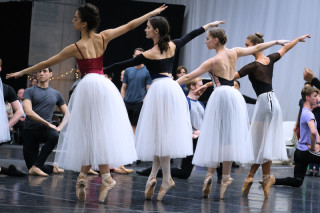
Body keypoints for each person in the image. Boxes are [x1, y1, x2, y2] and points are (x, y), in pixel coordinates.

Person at [7, 3, 167, 202]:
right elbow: (129, 25)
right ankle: (90, 176)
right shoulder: (103, 37)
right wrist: (152, 13)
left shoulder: (76, 47)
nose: (72, 20)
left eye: (75, 18)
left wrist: (21, 72)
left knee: (89, 132)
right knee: (94, 132)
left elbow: (48, 63)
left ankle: (102, 176)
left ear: (83, 23)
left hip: (89, 87)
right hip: (103, 86)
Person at [104, 17, 225, 201]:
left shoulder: (149, 53)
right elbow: (191, 35)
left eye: (148, 27)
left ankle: (164, 177)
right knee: (161, 136)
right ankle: (157, 175)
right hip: (172, 88)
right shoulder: (173, 45)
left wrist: (100, 69)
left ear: (157, 31)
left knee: (159, 135)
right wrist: (209, 25)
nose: (145, 30)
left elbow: (121, 65)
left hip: (160, 90)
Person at [177, 27, 290, 199]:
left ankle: (209, 174)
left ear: (216, 40)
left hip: (220, 95)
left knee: (216, 136)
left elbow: (188, 77)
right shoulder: (235, 52)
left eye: (207, 38)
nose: (205, 41)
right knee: (229, 138)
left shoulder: (212, 61)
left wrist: (171, 84)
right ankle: (225, 178)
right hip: (234, 96)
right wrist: (276, 42)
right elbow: (255, 48)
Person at [233, 33, 310, 198]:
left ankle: (250, 176)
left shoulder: (252, 66)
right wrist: (297, 39)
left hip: (265, 103)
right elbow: (285, 48)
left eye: (247, 45)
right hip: (272, 101)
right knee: (264, 143)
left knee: (261, 143)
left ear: (256, 45)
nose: (246, 48)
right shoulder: (270, 59)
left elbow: (231, 78)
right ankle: (265, 178)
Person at [136, 77, 205, 179]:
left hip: (200, 138)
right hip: (190, 138)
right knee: (184, 172)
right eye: (200, 86)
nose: (203, 88)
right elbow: (180, 121)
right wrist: (190, 133)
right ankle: (151, 172)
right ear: (192, 86)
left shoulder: (201, 103)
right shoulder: (185, 102)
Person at [22, 68, 67, 176]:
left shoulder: (56, 94)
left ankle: (37, 167)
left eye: (45, 71)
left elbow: (68, 114)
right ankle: (51, 168)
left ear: (50, 74)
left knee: (54, 135)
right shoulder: (29, 91)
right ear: (37, 74)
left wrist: (60, 127)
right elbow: (28, 112)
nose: (41, 73)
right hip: (30, 130)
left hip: (45, 130)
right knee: (31, 168)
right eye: (39, 71)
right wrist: (47, 123)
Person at [274, 86, 320, 187]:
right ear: (307, 98)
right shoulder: (309, 115)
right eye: (315, 96)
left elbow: (314, 131)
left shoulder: (305, 111)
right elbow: (313, 132)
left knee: (297, 182)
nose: (317, 98)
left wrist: (317, 143)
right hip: (306, 152)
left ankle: (273, 181)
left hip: (299, 152)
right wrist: (313, 146)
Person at [0, 58, 26, 176]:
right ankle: (8, 171)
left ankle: (8, 171)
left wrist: (6, 126)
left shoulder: (6, 89)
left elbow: (20, 111)